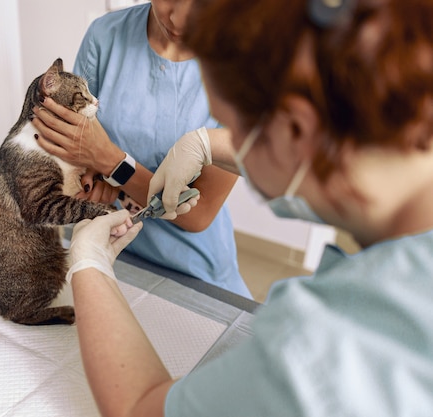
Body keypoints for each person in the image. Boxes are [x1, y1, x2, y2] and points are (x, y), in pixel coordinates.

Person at [65, 0, 433, 415]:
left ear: (295, 128)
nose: (229, 142)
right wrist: (207, 142)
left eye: (232, 127)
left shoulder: (329, 343)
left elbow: (139, 409)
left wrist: (88, 262)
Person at [31, 0, 251, 297]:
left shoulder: (247, 67)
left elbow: (197, 215)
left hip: (190, 268)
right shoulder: (105, 35)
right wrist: (87, 180)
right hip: (105, 244)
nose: (177, 18)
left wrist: (111, 163)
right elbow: (67, 148)